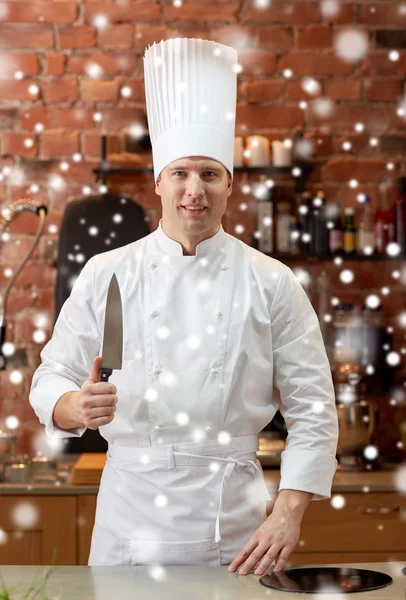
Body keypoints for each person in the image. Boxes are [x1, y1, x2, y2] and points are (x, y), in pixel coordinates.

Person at [29, 38, 339, 575]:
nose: (194, 189)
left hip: (238, 528)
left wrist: (289, 513)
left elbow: (313, 408)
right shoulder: (109, 273)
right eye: (181, 173)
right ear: (159, 182)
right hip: (129, 519)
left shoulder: (272, 281)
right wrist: (73, 408)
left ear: (229, 186)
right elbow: (50, 375)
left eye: (210, 174)